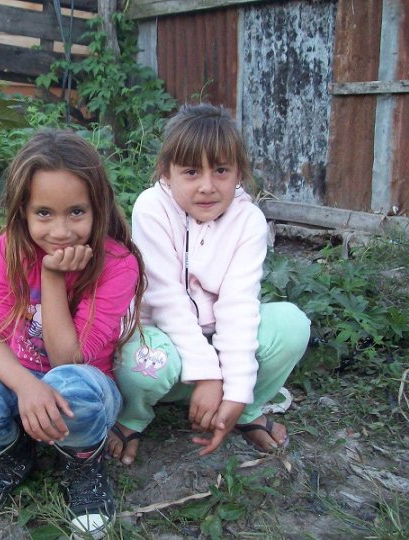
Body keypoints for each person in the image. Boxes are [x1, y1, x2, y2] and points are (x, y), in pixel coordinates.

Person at [0, 129, 145, 538]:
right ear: (23, 211)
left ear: (99, 208)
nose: (60, 231)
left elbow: (69, 361)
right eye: (44, 213)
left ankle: (83, 462)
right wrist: (25, 388)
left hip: (85, 388)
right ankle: (14, 454)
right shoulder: (13, 248)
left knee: (72, 388)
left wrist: (52, 278)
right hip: (24, 381)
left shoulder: (118, 265)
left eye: (76, 212)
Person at [108, 103, 310, 466]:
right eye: (190, 171)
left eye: (220, 170)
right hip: (163, 348)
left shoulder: (248, 220)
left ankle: (243, 411)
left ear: (238, 173)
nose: (207, 186)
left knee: (292, 325)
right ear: (167, 174)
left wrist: (235, 390)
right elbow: (165, 298)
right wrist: (206, 375)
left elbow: (238, 305)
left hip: (218, 341)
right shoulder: (152, 208)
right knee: (137, 365)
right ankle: (134, 416)